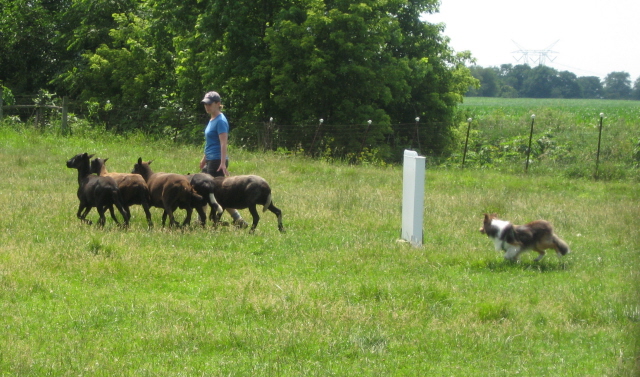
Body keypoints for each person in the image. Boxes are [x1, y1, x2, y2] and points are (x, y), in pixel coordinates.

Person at [199, 91, 248, 228]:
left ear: (218, 104)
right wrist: (204, 158)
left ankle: (201, 220)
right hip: (210, 159)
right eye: (205, 104)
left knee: (212, 192)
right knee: (209, 191)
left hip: (217, 161)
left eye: (209, 104)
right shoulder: (211, 120)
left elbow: (223, 143)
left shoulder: (221, 120)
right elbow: (210, 143)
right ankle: (238, 220)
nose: (207, 106)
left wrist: (222, 163)